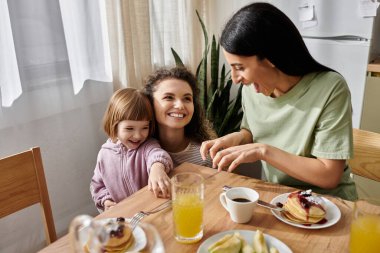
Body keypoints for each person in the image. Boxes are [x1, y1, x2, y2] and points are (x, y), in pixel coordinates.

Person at [200, 3, 358, 200]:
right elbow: (252, 131)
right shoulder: (252, 89)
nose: (234, 78)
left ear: (270, 58)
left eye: (239, 67)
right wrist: (235, 139)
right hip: (281, 201)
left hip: (330, 205)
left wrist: (263, 151)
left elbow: (329, 175)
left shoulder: (330, 88)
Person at [91, 88, 173, 212]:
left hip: (152, 210)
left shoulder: (147, 146)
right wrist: (106, 200)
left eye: (144, 127)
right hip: (124, 215)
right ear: (114, 125)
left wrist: (157, 168)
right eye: (130, 128)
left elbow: (157, 154)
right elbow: (97, 184)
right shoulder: (104, 154)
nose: (138, 135)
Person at [144, 67, 216, 168]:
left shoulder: (205, 156)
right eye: (169, 97)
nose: (180, 106)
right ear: (150, 102)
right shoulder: (135, 151)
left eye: (187, 98)